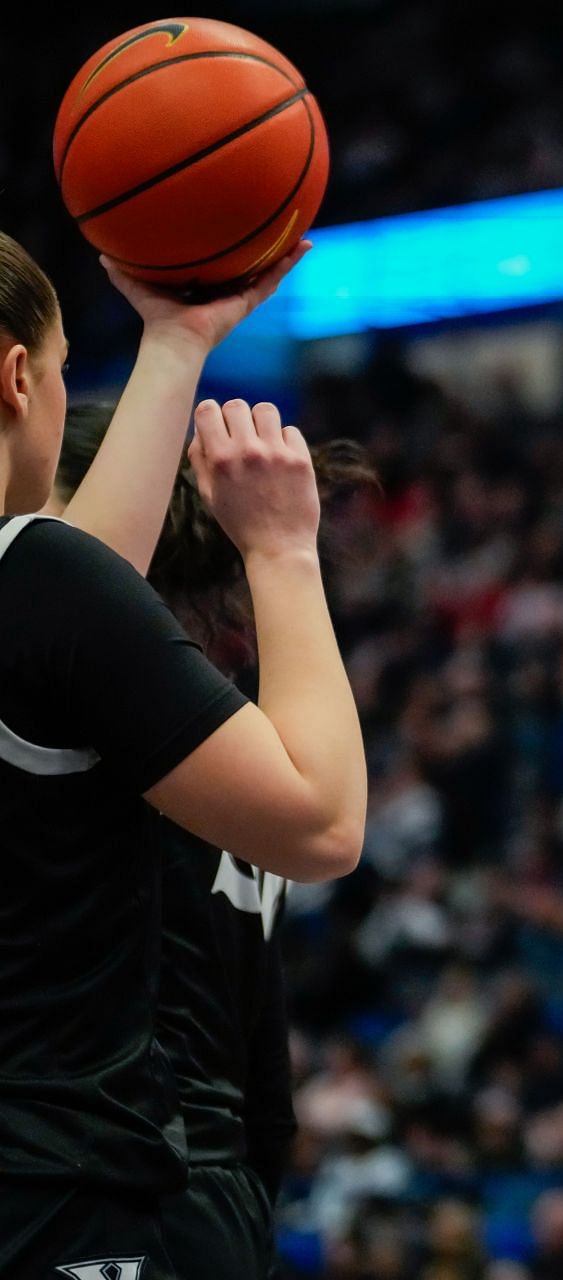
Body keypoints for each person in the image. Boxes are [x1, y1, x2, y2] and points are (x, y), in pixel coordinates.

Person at [0, 231, 366, 1277]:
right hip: (91, 1176)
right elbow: (326, 821)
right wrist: (286, 554)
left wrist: (175, 340)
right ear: (19, 375)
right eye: (70, 364)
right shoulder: (46, 597)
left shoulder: (50, 624)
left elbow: (67, 598)